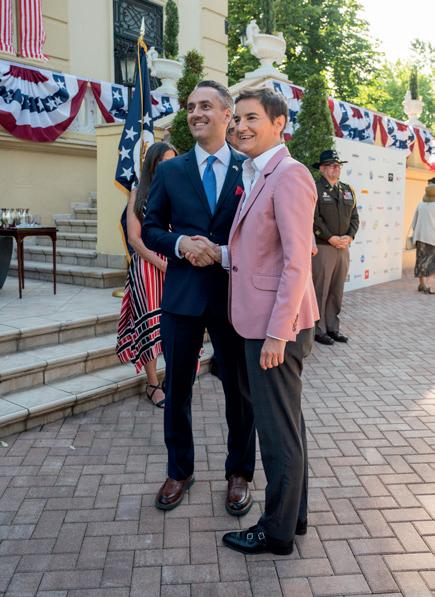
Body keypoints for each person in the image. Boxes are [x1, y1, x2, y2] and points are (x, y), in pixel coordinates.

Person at [142, 80, 256, 514]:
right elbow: (150, 228)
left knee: (240, 391)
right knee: (177, 389)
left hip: (234, 298)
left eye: (206, 106)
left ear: (227, 114)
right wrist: (180, 243)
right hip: (183, 297)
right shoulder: (171, 171)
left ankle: (239, 472)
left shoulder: (250, 168)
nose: (195, 113)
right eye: (190, 107)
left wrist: (223, 252)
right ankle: (179, 470)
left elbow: (260, 231)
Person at [220, 87, 319, 556]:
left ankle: (276, 532)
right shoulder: (258, 172)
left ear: (279, 124)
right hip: (263, 323)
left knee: (277, 435)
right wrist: (217, 253)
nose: (240, 126)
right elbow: (261, 252)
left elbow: (297, 262)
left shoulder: (289, 174)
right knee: (287, 426)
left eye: (251, 118)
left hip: (275, 328)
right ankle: (293, 517)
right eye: (237, 119)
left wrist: (278, 333)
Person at [116, 142, 177, 408]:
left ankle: (173, 379)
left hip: (174, 263)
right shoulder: (138, 193)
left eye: (173, 160)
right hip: (147, 267)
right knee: (150, 325)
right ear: (153, 164)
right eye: (164, 161)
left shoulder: (179, 190)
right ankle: (152, 384)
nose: (169, 166)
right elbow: (134, 239)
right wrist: (162, 265)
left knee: (176, 325)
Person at [311, 149, 359, 345]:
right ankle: (317, 329)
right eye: (331, 165)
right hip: (324, 247)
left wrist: (350, 236)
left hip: (343, 248)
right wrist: (330, 237)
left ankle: (332, 327)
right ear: (322, 169)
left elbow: (354, 217)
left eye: (338, 165)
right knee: (320, 289)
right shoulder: (315, 189)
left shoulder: (347, 190)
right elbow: (313, 218)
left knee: (336, 290)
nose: (336, 168)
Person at [411, 180, 435, 294]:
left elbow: (414, 223)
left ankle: (422, 285)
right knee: (431, 262)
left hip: (420, 238)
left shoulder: (420, 205)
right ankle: (430, 287)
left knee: (420, 261)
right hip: (432, 239)